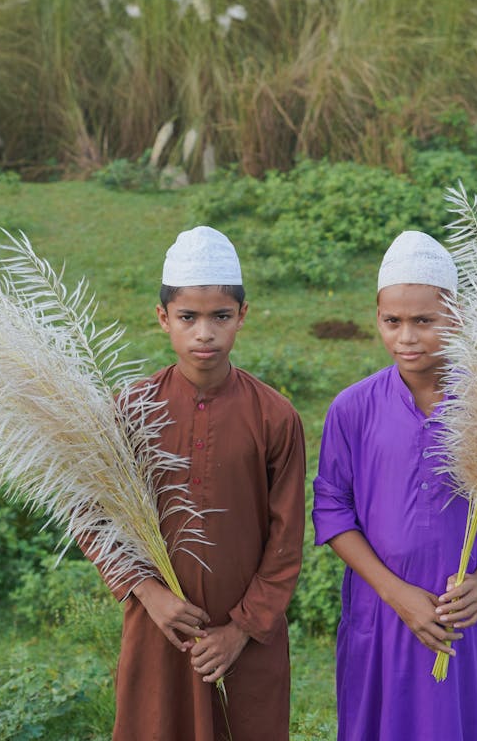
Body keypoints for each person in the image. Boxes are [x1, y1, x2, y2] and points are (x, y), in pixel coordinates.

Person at [312, 230, 477, 741]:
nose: (406, 337)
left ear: (455, 318)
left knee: (462, 722)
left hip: (462, 612)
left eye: (424, 321)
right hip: (381, 610)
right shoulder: (353, 407)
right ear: (377, 318)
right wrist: (397, 595)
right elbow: (331, 511)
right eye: (392, 322)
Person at [84, 226, 306, 741]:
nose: (204, 333)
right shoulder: (130, 411)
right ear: (163, 319)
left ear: (242, 317)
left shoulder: (274, 416)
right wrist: (150, 595)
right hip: (160, 628)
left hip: (248, 642)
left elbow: (286, 536)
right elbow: (94, 515)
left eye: (220, 317)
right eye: (188, 317)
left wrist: (241, 630)